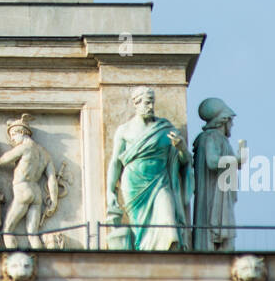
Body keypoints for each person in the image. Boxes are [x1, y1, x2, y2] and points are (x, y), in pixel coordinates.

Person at [105, 86, 188, 251]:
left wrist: (181, 148)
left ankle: (169, 263)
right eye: (147, 103)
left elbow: (184, 161)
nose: (151, 106)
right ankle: (144, 258)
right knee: (140, 231)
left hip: (161, 183)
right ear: (136, 103)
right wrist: (110, 191)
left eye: (152, 103)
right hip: (134, 185)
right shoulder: (124, 130)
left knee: (168, 221)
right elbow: (115, 162)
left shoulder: (166, 129)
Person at [0, 115, 59, 250]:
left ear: (22, 132)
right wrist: (53, 200)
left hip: (23, 190)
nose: (12, 138)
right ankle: (39, 264)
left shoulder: (24, 148)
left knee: (8, 229)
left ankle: (13, 259)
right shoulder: (44, 153)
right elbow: (51, 178)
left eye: (13, 134)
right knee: (33, 234)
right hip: (36, 193)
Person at [191, 97, 247, 252]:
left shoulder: (218, 139)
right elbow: (212, 161)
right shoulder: (212, 137)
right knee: (219, 234)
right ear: (223, 120)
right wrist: (237, 159)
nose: (232, 124)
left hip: (220, 193)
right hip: (214, 195)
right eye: (230, 120)